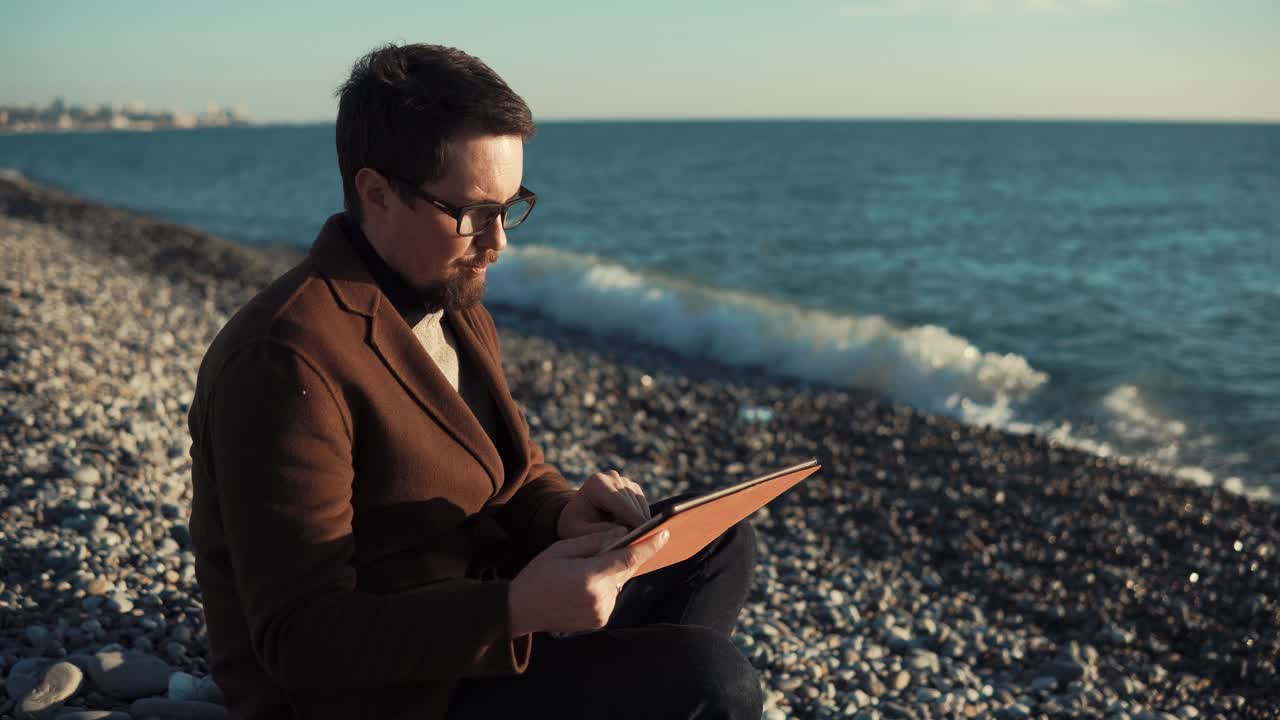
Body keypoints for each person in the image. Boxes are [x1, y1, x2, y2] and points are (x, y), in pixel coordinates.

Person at [186, 43, 765, 720]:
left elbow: (508, 476)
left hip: (491, 627)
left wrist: (562, 515)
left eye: (512, 206)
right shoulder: (283, 359)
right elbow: (299, 642)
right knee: (710, 681)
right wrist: (517, 608)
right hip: (394, 694)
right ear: (376, 194)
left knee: (713, 538)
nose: (498, 243)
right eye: (473, 213)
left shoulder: (450, 302)